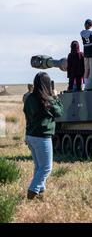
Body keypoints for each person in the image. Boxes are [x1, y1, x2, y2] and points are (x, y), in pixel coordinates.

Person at [23, 72, 63, 200]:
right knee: (46, 168)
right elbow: (59, 112)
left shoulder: (29, 98)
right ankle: (32, 191)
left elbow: (26, 115)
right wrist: (56, 97)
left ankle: (41, 193)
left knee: (39, 166)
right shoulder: (47, 99)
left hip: (30, 136)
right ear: (47, 84)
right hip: (42, 137)